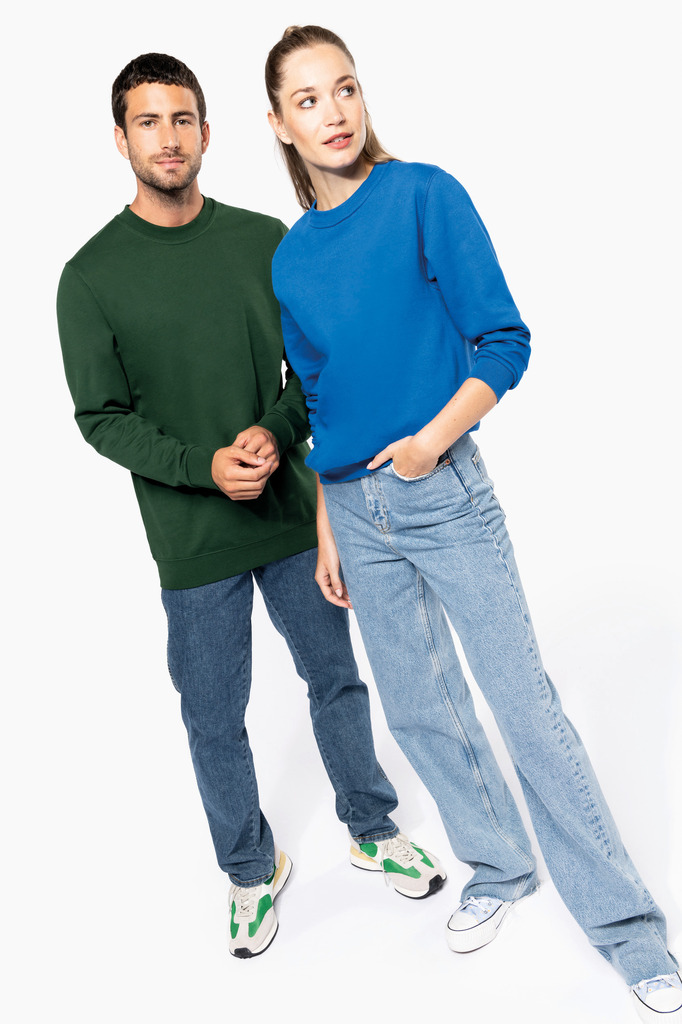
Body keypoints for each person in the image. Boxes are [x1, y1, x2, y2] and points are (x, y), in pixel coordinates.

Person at [265, 24, 680, 1019]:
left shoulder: (423, 195)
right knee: (419, 708)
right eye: (309, 99)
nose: (333, 112)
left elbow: (503, 340)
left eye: (344, 88)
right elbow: (316, 398)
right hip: (353, 507)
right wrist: (328, 521)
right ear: (279, 123)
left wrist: (425, 444)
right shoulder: (291, 259)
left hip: (440, 487)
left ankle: (631, 934)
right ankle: (499, 865)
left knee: (523, 706)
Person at [56, 51, 447, 961]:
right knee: (211, 714)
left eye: (182, 119)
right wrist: (202, 466)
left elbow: (311, 371)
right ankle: (248, 867)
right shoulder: (89, 277)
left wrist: (273, 433)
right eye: (148, 122)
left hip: (290, 518)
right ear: (120, 138)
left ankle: (370, 827)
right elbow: (100, 418)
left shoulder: (265, 240)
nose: (168, 138)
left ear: (207, 131)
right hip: (192, 537)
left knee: (336, 677)